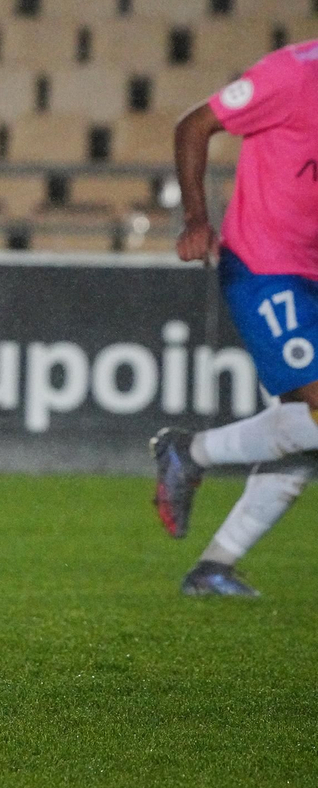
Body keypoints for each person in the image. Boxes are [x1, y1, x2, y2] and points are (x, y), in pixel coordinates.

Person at [151, 36, 318, 597]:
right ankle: (190, 454)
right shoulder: (292, 75)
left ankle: (212, 566)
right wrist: (198, 217)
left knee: (306, 434)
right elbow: (193, 125)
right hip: (264, 263)